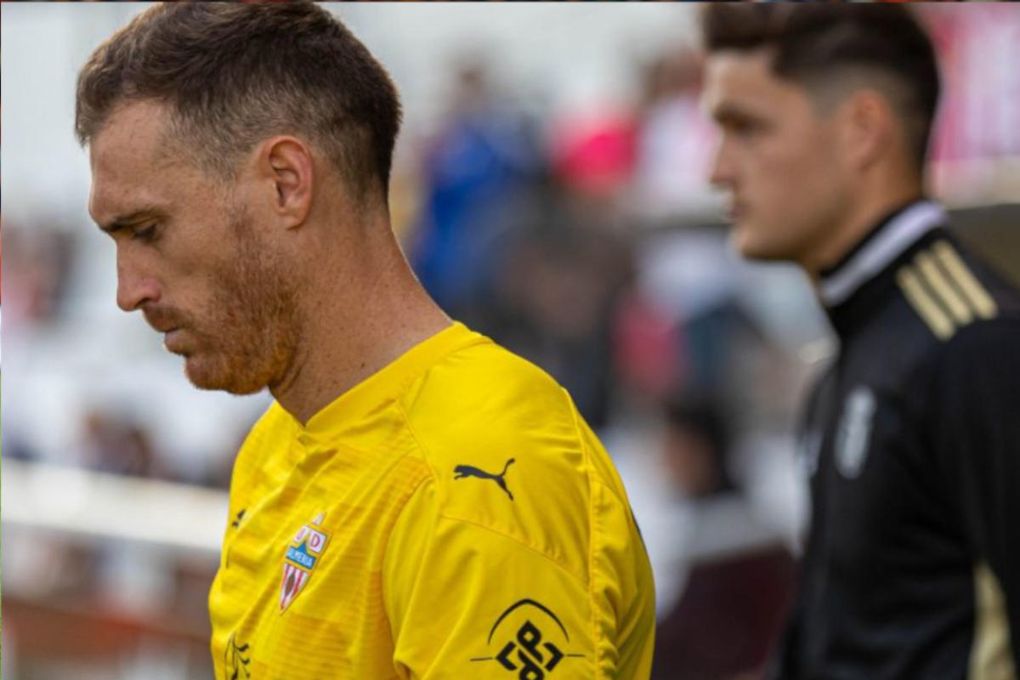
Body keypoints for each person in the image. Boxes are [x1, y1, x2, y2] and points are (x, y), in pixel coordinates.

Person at [75, 4, 655, 678]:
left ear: (286, 183)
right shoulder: (275, 443)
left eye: (148, 231)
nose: (129, 291)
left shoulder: (476, 474)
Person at [700, 5, 1019, 679]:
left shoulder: (973, 347)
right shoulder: (862, 349)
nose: (717, 169)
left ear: (862, 131)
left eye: (746, 128)